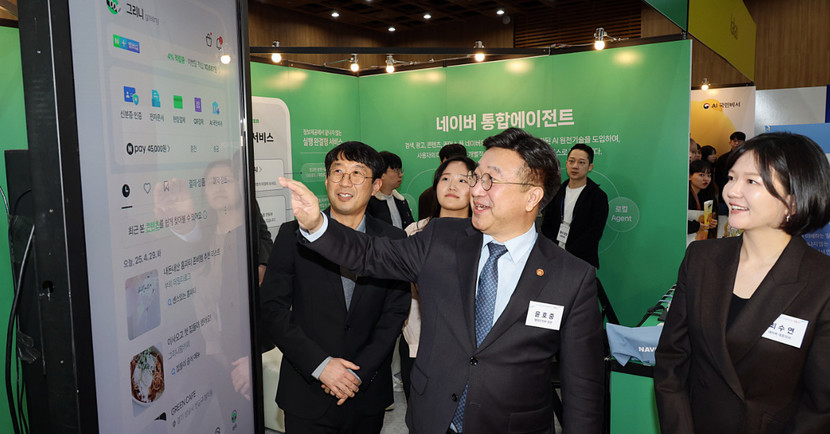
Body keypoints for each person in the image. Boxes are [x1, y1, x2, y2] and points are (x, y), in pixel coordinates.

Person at [279, 128, 604, 433]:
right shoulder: (441, 239)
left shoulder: (572, 278)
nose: (475, 189)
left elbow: (583, 389)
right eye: (477, 177)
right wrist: (316, 224)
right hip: (432, 420)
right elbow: (369, 254)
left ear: (532, 197)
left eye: (491, 180)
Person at [655, 132, 830, 433]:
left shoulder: (821, 282)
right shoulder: (701, 259)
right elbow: (672, 359)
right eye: (732, 178)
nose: (732, 191)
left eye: (751, 181)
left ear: (794, 199)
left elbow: (821, 406)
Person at [260, 141, 410, 434]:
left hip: (365, 391)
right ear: (327, 180)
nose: (345, 182)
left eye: (357, 173)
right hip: (306, 390)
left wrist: (356, 375)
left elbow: (394, 313)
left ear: (376, 185)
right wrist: (321, 366)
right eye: (338, 172)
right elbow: (272, 308)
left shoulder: (392, 240)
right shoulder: (292, 235)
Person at [399, 155, 477, 401]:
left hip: (466, 348)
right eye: (445, 178)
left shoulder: (485, 235)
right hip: (418, 341)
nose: (452, 186)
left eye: (462, 180)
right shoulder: (415, 232)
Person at [541, 143, 609, 269]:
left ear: (590, 167)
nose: (575, 166)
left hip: (582, 261)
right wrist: (555, 250)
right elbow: (546, 225)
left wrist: (568, 252)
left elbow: (594, 233)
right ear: (566, 163)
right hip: (553, 257)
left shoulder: (597, 196)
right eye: (571, 161)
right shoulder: (556, 192)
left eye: (581, 162)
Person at [367, 150, 415, 230]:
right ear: (381, 174)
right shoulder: (368, 202)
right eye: (396, 170)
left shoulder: (401, 200)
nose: (401, 175)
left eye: (400, 170)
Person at [418, 143, 468, 218]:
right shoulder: (426, 196)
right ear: (441, 165)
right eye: (448, 164)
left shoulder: (476, 193)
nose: (453, 168)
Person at [687, 159, 718, 240]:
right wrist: (697, 226)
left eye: (709, 175)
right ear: (689, 176)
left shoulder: (708, 194)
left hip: (699, 239)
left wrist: (711, 222)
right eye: (702, 175)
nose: (706, 179)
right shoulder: (683, 195)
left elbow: (708, 219)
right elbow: (677, 221)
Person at [714, 131, 746, 209]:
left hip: (743, 196)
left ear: (744, 143)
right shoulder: (722, 158)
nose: (737, 143)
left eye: (740, 141)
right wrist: (728, 187)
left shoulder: (748, 158)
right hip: (725, 196)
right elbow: (718, 178)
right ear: (730, 142)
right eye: (734, 141)